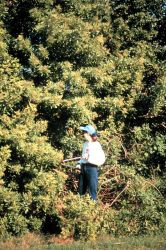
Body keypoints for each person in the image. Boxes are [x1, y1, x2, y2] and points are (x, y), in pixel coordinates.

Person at [77, 125, 105, 200]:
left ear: (89, 134)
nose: (83, 134)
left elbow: (102, 159)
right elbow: (83, 157)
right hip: (84, 167)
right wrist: (79, 163)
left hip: (92, 168)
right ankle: (79, 206)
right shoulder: (85, 144)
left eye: (85, 132)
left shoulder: (96, 145)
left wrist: (90, 158)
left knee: (92, 190)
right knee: (81, 189)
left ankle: (92, 208)